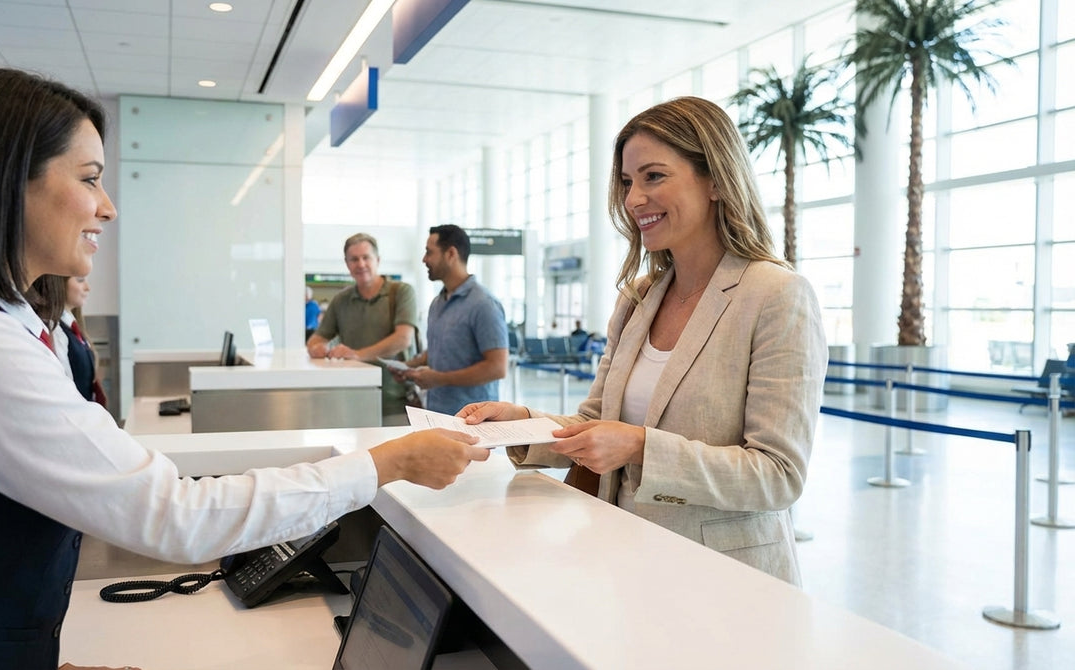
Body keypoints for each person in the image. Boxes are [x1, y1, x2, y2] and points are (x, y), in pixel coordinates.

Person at [0, 68, 488, 669]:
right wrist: (386, 463)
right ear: (6, 183)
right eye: (90, 179)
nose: (107, 208)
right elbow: (175, 515)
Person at [458, 97, 827, 585]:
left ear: (715, 179)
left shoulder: (777, 296)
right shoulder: (640, 298)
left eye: (654, 176)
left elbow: (777, 474)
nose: (633, 200)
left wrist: (640, 448)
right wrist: (523, 424)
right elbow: (597, 423)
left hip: (724, 580)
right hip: (625, 557)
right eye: (629, 182)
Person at [394, 225, 508, 416]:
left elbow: (497, 367)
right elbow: (441, 350)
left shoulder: (484, 304)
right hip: (437, 414)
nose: (424, 259)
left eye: (429, 252)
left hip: (473, 420)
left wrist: (440, 379)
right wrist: (408, 368)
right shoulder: (438, 303)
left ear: (451, 254)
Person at [306, 233, 419, 425]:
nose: (360, 264)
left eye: (366, 257)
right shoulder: (342, 299)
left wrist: (358, 354)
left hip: (397, 401)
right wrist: (318, 348)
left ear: (378, 260)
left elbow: (403, 339)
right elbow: (317, 339)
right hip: (354, 400)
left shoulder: (401, 292)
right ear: (347, 263)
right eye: (354, 259)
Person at [50, 275, 108, 408]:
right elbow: (65, 391)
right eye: (80, 280)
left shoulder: (74, 327)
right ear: (59, 283)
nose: (87, 288)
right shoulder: (56, 331)